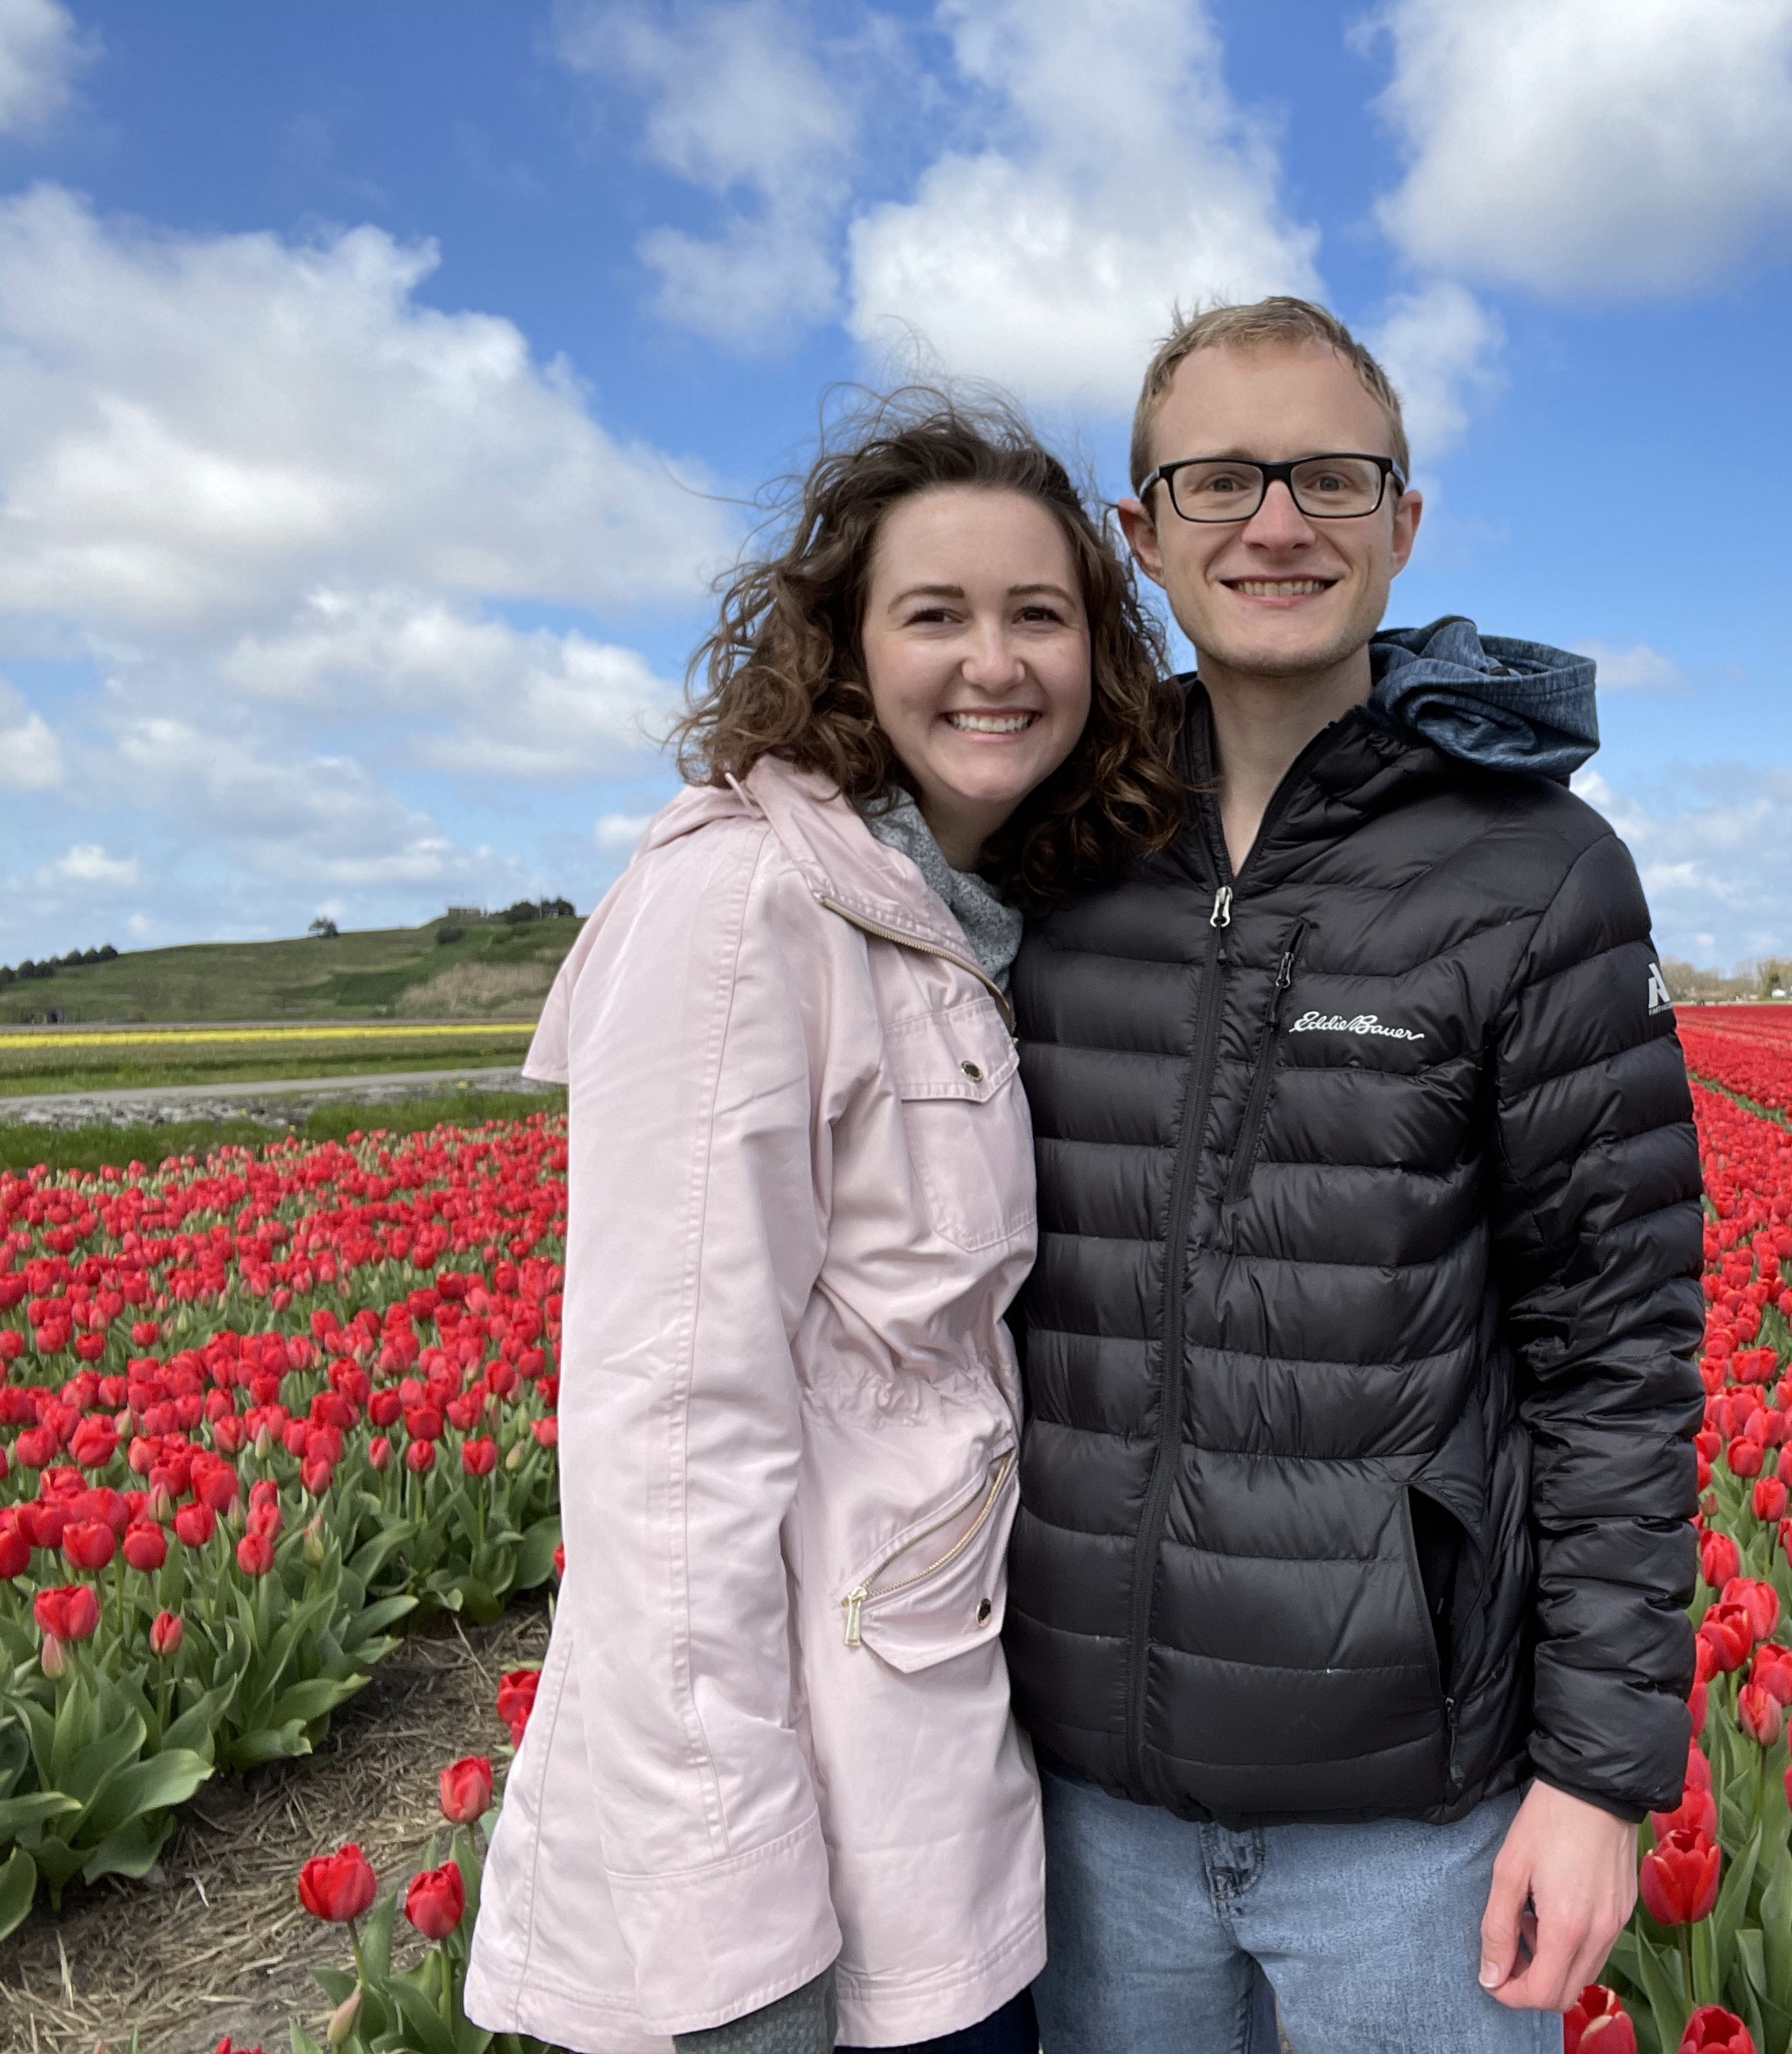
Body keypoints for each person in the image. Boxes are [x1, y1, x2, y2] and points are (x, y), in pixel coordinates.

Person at [1005, 298, 1706, 2053]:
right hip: (1078, 1798)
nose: (1276, 523)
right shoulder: (1048, 850)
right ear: (1140, 531)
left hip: (1414, 1824)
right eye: (1220, 479)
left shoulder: (1537, 874)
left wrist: (1600, 1782)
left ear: (1404, 522)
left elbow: (1617, 1357)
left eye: (1330, 477)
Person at [465, 393, 1188, 2054]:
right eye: (934, 614)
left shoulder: (963, 921)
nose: (993, 662)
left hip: (939, 1777)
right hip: (803, 1875)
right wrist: (737, 1943)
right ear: (845, 650)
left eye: (1039, 615)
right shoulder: (745, 908)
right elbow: (670, 1440)